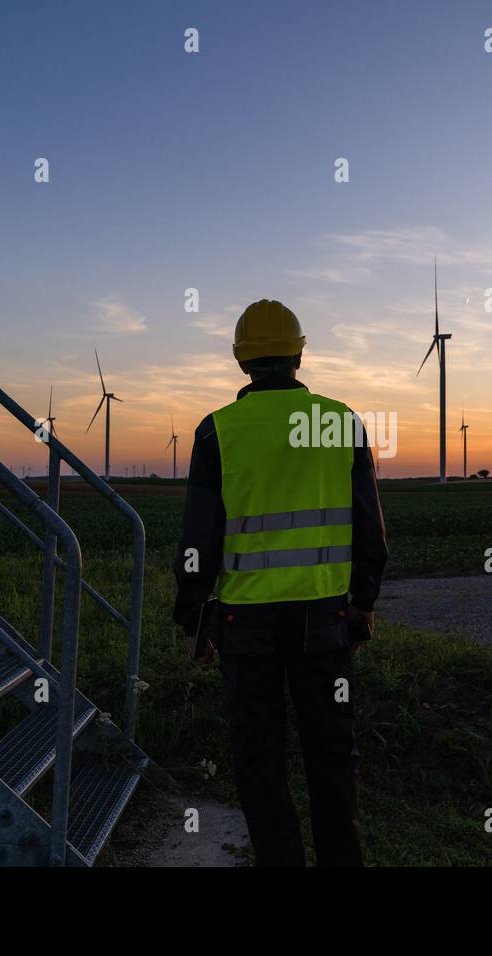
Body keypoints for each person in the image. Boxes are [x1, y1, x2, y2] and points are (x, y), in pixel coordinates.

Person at [173, 299, 388, 866]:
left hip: (247, 629)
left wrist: (195, 618)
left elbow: (198, 540)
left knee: (260, 759)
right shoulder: (341, 421)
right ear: (299, 353)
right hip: (326, 620)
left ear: (241, 360)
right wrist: (363, 603)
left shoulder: (217, 431)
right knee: (333, 755)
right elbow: (370, 529)